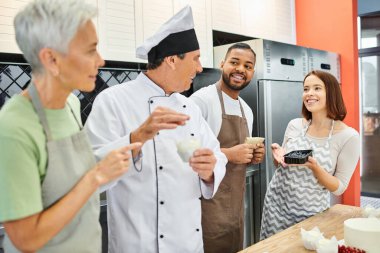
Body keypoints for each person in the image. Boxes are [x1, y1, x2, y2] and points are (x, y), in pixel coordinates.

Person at [0, 0, 141, 252]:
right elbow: (25, 238)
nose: (101, 61)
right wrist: (96, 177)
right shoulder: (14, 127)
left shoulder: (72, 105)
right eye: (90, 50)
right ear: (52, 60)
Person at [84, 5, 227, 253]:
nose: (200, 68)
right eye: (195, 58)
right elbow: (87, 170)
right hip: (139, 244)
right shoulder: (113, 101)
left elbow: (217, 154)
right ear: (172, 60)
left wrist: (210, 169)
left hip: (188, 244)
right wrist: (136, 138)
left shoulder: (188, 107)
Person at [260, 70, 360, 239]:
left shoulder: (348, 136)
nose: (309, 94)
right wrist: (278, 156)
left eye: (317, 88)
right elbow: (281, 165)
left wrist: (315, 167)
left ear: (331, 93)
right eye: (306, 89)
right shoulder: (294, 125)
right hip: (276, 207)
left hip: (311, 213)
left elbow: (339, 187)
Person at [190, 42, 265, 253]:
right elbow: (185, 151)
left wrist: (252, 155)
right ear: (222, 64)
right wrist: (230, 154)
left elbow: (241, 154)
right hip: (206, 208)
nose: (241, 69)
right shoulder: (201, 101)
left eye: (248, 66)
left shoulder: (247, 110)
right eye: (235, 62)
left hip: (234, 209)